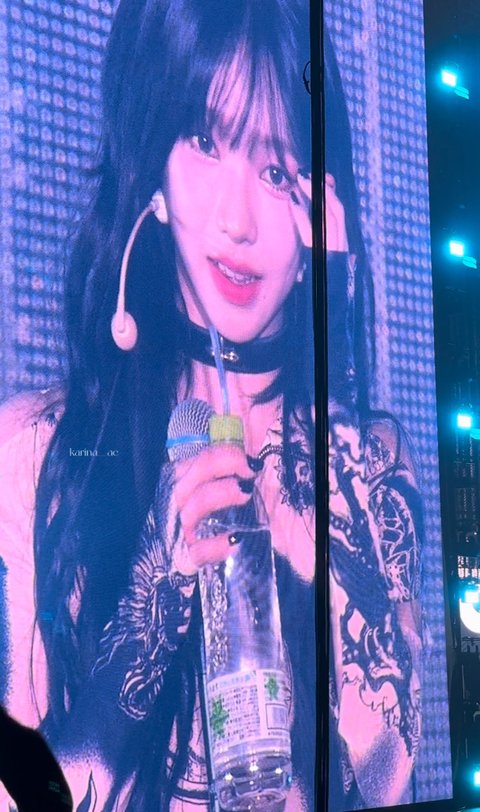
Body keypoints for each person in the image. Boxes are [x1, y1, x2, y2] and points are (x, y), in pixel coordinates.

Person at [0, 1, 423, 810]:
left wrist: (330, 390)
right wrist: (147, 616)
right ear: (150, 163)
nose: (237, 222)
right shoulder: (30, 456)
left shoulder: (370, 465)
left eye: (276, 170)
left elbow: (385, 786)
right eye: (203, 140)